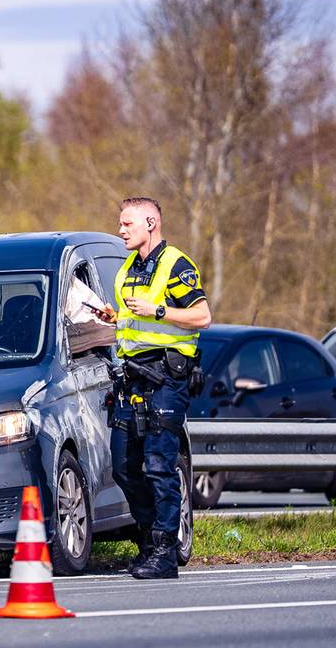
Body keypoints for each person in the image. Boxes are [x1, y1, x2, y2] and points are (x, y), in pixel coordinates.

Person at [93, 196, 212, 580]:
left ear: (150, 222)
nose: (121, 229)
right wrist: (113, 316)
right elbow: (133, 319)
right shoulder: (128, 268)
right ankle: (149, 539)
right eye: (120, 223)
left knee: (160, 466)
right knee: (124, 465)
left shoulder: (176, 264)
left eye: (127, 223)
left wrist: (158, 310)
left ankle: (164, 550)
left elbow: (202, 316)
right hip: (133, 379)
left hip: (167, 379)